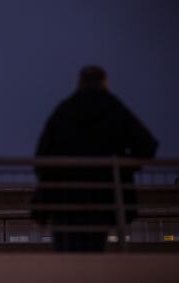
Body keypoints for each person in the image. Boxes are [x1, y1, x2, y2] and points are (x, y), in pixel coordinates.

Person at [32, 65, 158, 251]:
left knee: (66, 255)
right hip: (102, 195)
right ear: (104, 82)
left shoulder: (64, 110)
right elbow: (147, 145)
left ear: (79, 83)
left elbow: (41, 157)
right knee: (94, 251)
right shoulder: (113, 108)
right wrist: (122, 166)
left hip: (64, 197)